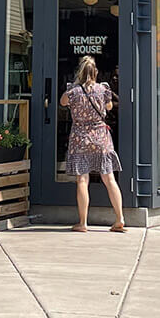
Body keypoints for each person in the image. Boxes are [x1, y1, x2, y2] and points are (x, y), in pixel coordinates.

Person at [61, 56, 126, 233]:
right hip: (101, 138)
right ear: (95, 72)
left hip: (80, 138)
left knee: (82, 179)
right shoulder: (103, 89)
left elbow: (62, 102)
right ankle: (119, 218)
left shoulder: (73, 91)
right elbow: (110, 107)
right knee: (109, 178)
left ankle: (83, 223)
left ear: (79, 72)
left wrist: (76, 84)